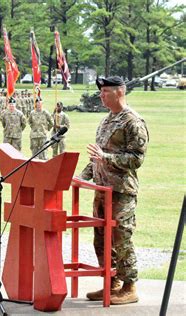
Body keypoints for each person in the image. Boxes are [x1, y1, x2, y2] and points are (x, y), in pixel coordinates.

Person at [79, 76, 149, 305]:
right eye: (101, 92)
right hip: (101, 190)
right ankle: (110, 283)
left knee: (121, 238)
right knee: (101, 239)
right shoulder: (107, 121)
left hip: (121, 191)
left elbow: (137, 159)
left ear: (120, 92)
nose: (101, 95)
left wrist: (106, 157)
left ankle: (129, 287)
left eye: (105, 92)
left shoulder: (133, 121)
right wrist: (81, 177)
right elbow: (96, 157)